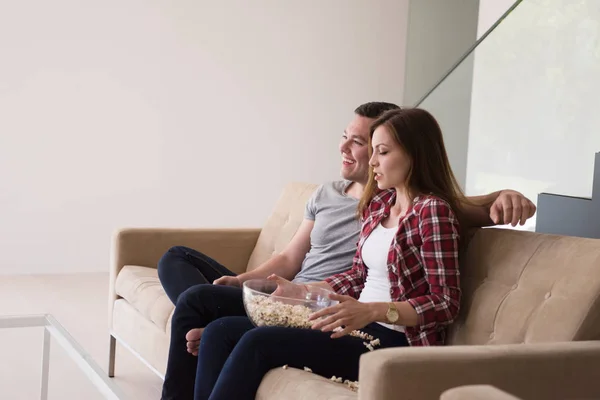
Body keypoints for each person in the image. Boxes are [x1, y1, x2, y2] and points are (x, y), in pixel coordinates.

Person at [159, 102, 536, 399]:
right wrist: (305, 291)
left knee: (256, 341)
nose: (371, 162)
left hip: (392, 339)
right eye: (371, 151)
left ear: (415, 156)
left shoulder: (433, 212)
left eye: (381, 152)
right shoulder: (377, 207)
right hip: (352, 321)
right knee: (221, 331)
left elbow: (445, 301)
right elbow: (357, 275)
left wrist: (372, 310)